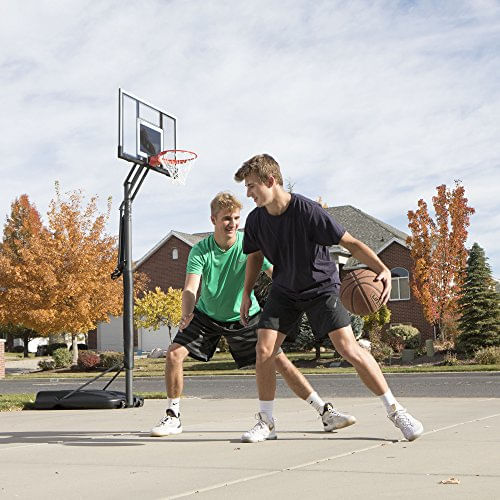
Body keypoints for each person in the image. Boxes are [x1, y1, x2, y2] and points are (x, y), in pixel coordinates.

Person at [234, 154, 424, 443]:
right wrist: (246, 293)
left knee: (348, 348)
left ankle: (396, 411)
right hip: (284, 290)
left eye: (251, 186)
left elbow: (350, 243)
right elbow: (255, 257)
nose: (247, 193)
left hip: (320, 287)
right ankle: (267, 421)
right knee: (264, 349)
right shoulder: (257, 219)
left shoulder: (308, 211)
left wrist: (382, 267)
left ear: (270, 181)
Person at [150, 192, 356, 438]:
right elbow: (190, 287)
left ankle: (325, 412)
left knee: (279, 360)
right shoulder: (200, 250)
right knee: (174, 354)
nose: (233, 223)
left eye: (236, 218)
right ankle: (173, 416)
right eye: (226, 218)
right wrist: (186, 314)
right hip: (206, 314)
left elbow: (275, 273)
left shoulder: (249, 244)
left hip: (245, 316)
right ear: (213, 219)